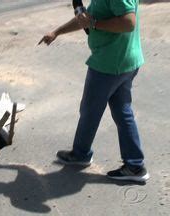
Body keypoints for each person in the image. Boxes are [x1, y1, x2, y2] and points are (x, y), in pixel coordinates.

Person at [38, 0, 149, 182]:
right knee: (122, 111)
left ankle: (81, 154)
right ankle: (135, 166)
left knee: (90, 110)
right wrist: (56, 31)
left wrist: (94, 23)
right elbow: (86, 19)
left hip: (109, 64)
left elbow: (128, 22)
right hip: (125, 60)